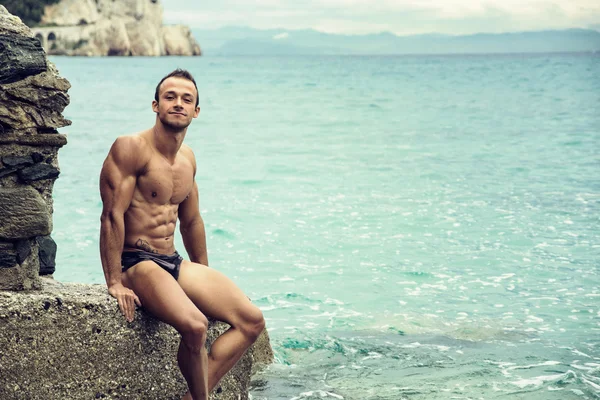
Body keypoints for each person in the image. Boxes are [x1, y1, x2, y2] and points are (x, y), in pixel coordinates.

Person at [99, 69, 265, 400]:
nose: (178, 103)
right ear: (155, 105)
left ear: (196, 111)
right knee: (195, 325)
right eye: (170, 97)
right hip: (137, 262)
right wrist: (115, 281)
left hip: (171, 260)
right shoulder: (131, 148)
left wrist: (203, 272)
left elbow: (191, 222)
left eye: (186, 99)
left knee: (251, 321)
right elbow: (111, 215)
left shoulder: (187, 159)